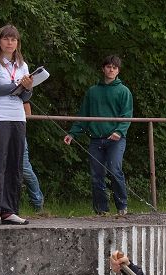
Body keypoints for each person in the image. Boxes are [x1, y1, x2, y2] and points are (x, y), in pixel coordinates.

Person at [63, 55, 132, 216]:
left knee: (115, 169)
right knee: (96, 175)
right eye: (108, 67)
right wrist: (72, 133)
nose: (111, 70)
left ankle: (122, 206)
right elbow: (83, 115)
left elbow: (127, 115)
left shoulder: (124, 91)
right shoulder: (93, 91)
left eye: (114, 67)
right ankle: (101, 210)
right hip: (96, 139)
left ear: (118, 71)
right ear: (103, 69)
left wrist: (119, 131)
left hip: (116, 139)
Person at [0, 24, 34, 226]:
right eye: (6, 39)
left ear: (17, 43)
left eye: (14, 39)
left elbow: (25, 96)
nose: (10, 42)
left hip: (18, 117)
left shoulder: (22, 65)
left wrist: (27, 87)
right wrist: (19, 85)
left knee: (15, 163)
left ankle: (10, 210)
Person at [22, 102, 44, 212]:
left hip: (19, 134)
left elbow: (28, 114)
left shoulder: (21, 92)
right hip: (2, 132)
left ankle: (38, 203)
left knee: (25, 170)